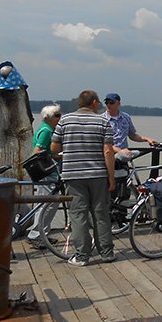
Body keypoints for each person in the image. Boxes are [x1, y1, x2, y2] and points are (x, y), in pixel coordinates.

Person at [50, 90, 116, 266]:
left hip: (73, 176)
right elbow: (108, 151)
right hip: (98, 175)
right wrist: (112, 177)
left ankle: (82, 256)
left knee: (78, 215)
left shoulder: (65, 120)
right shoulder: (103, 121)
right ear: (94, 102)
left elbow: (54, 147)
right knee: (101, 214)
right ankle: (107, 253)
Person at [26, 104, 62, 248]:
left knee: (49, 203)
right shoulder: (47, 131)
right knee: (48, 204)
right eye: (57, 115)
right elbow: (37, 151)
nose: (60, 118)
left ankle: (42, 234)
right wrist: (54, 156)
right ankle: (36, 234)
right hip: (47, 173)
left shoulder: (47, 129)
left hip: (50, 172)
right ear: (48, 118)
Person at [102, 93, 157, 158]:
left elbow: (132, 135)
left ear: (118, 104)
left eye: (111, 102)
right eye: (106, 102)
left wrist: (147, 139)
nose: (108, 105)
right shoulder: (101, 119)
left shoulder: (126, 117)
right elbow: (101, 142)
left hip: (124, 155)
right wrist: (119, 151)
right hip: (107, 156)